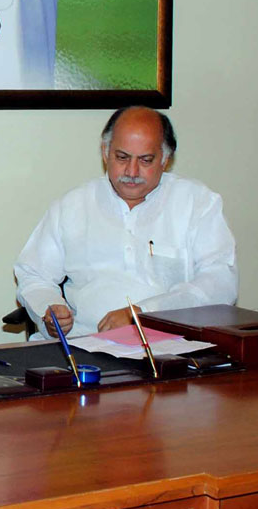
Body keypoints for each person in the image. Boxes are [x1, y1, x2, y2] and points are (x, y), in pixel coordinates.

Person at [14, 106, 237, 339]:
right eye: (122, 157)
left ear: (166, 159)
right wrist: (49, 309)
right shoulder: (72, 206)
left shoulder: (197, 203)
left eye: (145, 160)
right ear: (105, 152)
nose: (131, 171)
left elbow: (220, 282)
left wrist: (144, 314)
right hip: (85, 345)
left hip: (173, 346)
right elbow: (33, 273)